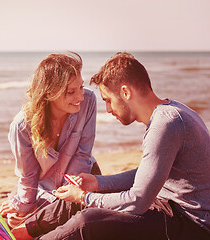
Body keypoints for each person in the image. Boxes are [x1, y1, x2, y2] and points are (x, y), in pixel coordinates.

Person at [12, 52, 210, 239]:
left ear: (125, 92)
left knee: (87, 221)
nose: (108, 109)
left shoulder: (165, 124)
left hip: (190, 223)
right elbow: (147, 174)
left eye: (108, 100)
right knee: (86, 195)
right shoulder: (170, 112)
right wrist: (97, 184)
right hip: (169, 206)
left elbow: (137, 201)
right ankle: (25, 231)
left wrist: (84, 197)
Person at [0, 52, 101, 228]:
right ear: (49, 93)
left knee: (78, 222)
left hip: (81, 178)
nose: (80, 97)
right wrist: (24, 206)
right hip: (42, 188)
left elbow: (83, 155)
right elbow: (28, 175)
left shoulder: (89, 101)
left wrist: (47, 206)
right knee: (13, 220)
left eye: (81, 88)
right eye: (71, 92)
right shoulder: (22, 126)